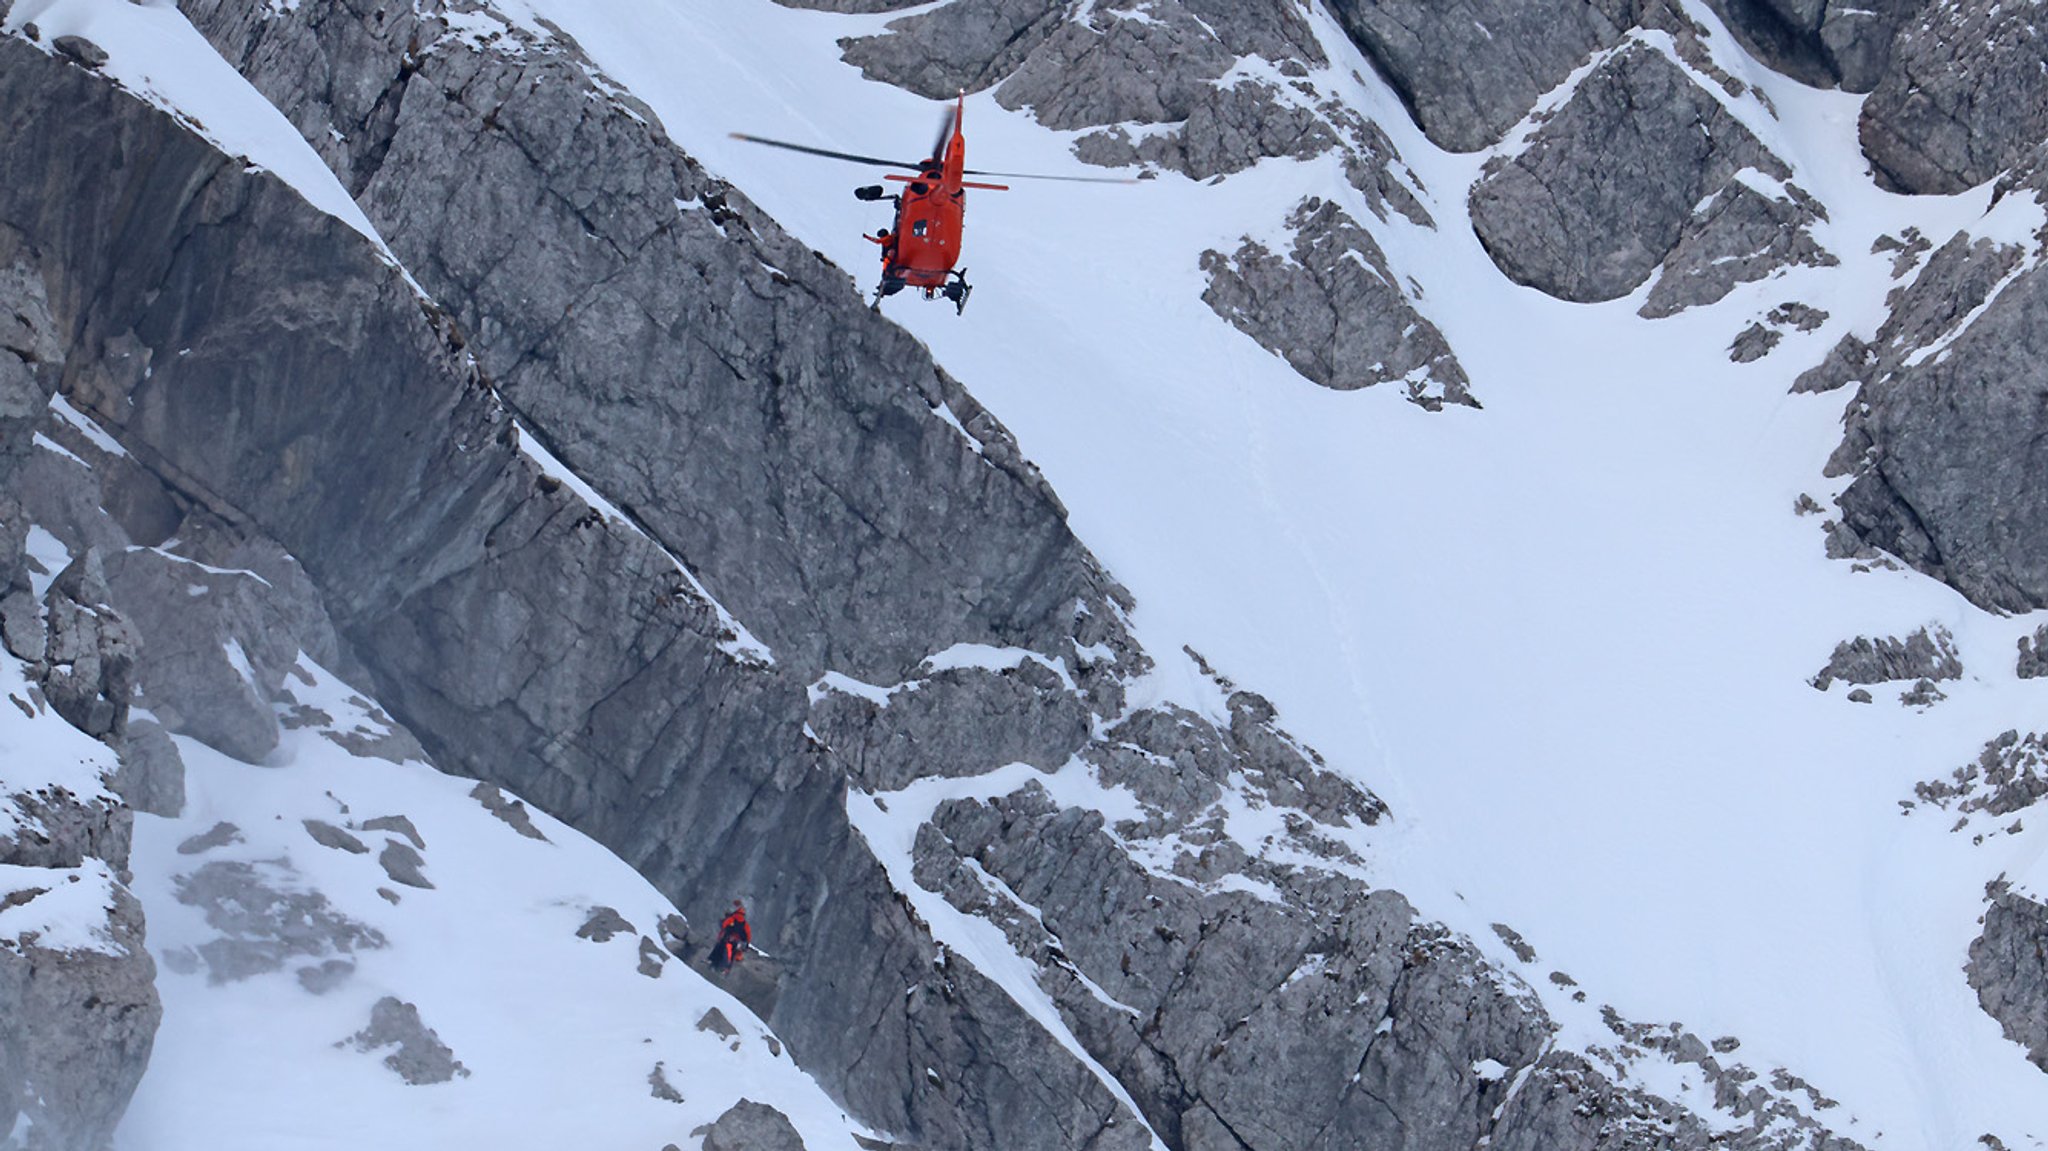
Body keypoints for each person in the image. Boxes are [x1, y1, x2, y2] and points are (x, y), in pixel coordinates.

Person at [710, 900, 750, 970]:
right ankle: (726, 968)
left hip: (728, 940)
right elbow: (748, 935)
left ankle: (714, 963)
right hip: (738, 943)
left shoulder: (732, 918)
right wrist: (746, 944)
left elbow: (724, 925)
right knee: (732, 954)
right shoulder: (745, 923)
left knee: (721, 948)